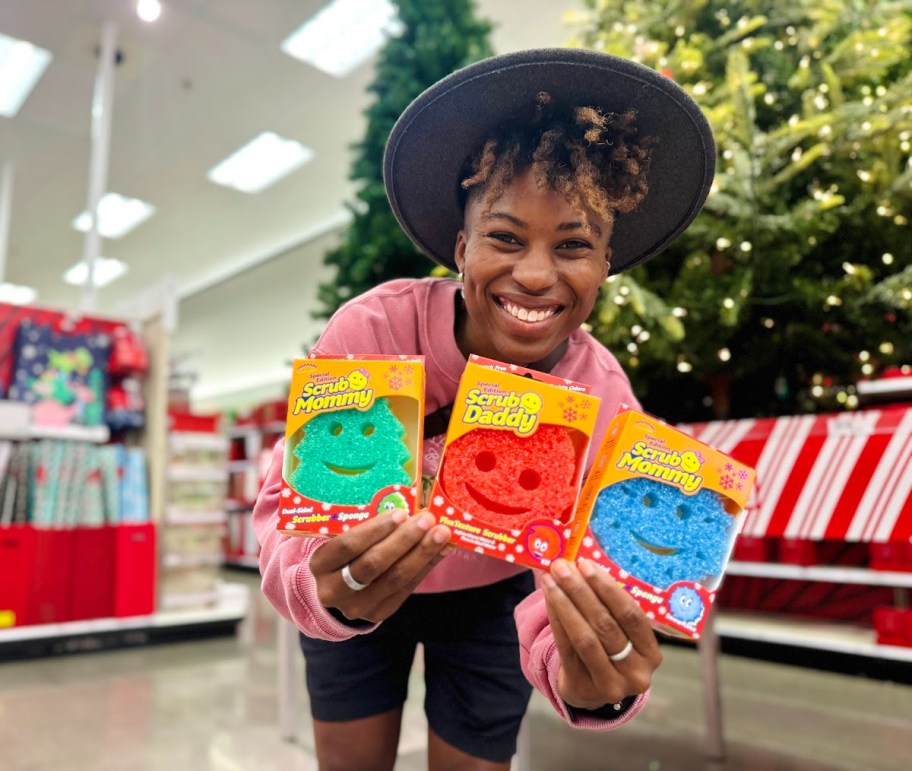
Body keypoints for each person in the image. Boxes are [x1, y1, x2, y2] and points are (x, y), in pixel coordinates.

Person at [252, 48, 715, 771]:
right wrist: (324, 586)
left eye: (573, 245)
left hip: (494, 599)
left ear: (604, 264)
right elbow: (297, 513)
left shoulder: (599, 396)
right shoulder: (373, 333)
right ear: (461, 248)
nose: (535, 274)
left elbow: (591, 586)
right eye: (505, 237)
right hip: (362, 583)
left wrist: (590, 676)